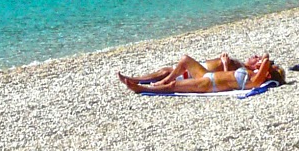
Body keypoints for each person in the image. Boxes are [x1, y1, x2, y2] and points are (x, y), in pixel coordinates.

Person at [119, 53, 284, 94]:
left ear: (267, 74)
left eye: (268, 69)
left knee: (174, 86)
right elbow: (264, 62)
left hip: (209, 83)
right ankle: (147, 83)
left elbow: (266, 58)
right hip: (206, 75)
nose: (259, 59)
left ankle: (142, 89)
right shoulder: (251, 74)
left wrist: (266, 62)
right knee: (185, 59)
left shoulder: (255, 80)